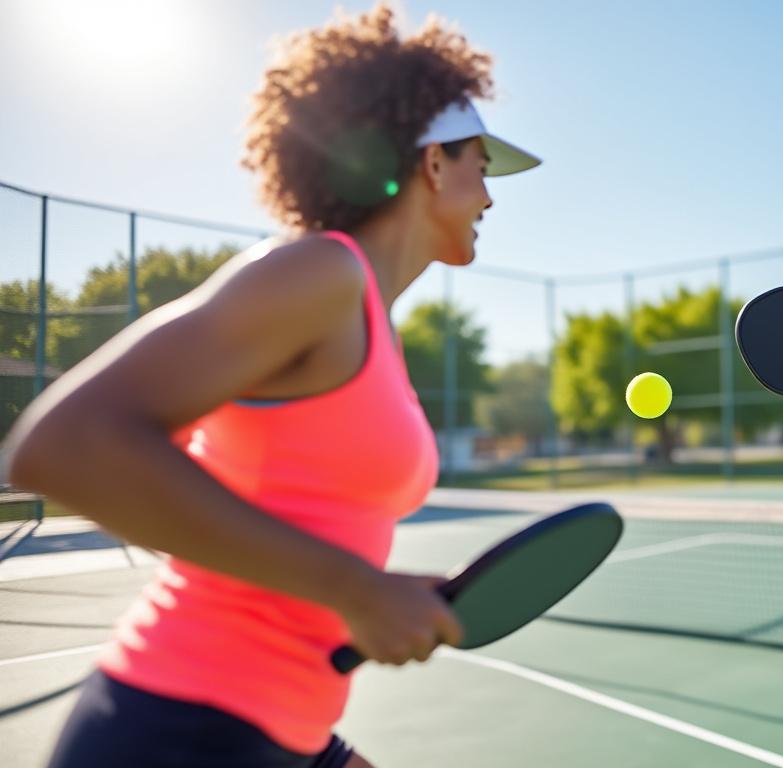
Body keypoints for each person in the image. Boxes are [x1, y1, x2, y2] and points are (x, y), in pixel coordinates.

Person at [2, 5, 539, 767]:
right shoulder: (320, 274)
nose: (488, 197)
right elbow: (63, 446)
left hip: (276, 730)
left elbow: (271, 520)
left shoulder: (366, 320)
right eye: (481, 168)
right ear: (432, 164)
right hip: (179, 730)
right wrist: (355, 590)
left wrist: (349, 610)